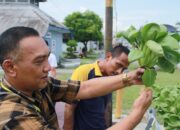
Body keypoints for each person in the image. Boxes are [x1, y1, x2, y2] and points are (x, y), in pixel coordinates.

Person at [0, 26, 152, 130]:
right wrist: (136, 114)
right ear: (10, 67)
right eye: (39, 61)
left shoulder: (39, 85)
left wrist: (130, 78)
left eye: (47, 57)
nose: (48, 67)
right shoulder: (12, 115)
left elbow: (84, 88)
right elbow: (70, 108)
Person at [64, 45, 129, 130]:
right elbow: (69, 108)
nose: (119, 72)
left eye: (124, 69)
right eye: (118, 65)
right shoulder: (84, 72)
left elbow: (105, 109)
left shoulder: (111, 79)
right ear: (108, 56)